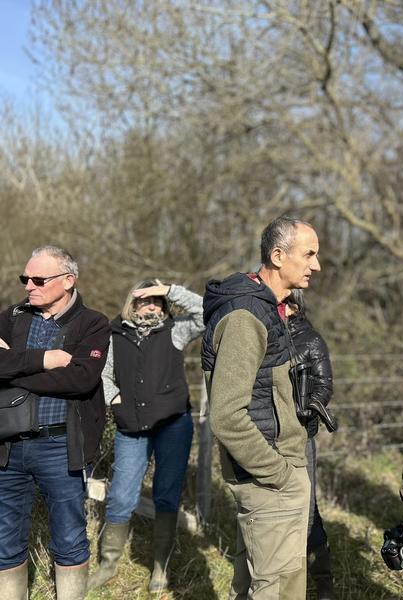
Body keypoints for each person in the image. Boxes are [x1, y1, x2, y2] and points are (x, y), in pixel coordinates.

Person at [202, 216, 321, 599]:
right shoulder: (244, 317)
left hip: (275, 472)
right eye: (309, 254)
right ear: (277, 255)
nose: (315, 265)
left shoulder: (270, 308)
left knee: (266, 583)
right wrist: (281, 474)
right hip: (268, 478)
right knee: (277, 589)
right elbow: (226, 415)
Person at [0, 246, 110, 600]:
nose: (29, 286)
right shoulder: (12, 317)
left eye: (38, 279)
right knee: (4, 539)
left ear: (68, 280)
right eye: (25, 279)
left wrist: (14, 371)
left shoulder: (93, 323)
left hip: (61, 447)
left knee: (69, 537)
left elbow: (81, 379)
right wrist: (45, 359)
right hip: (8, 446)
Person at [89, 279, 205, 593]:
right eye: (146, 300)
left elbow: (205, 312)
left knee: (166, 495)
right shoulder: (115, 334)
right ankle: (108, 563)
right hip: (131, 426)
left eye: (157, 301)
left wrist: (170, 290)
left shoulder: (175, 331)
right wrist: (114, 398)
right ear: (133, 303)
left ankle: (159, 569)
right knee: (121, 496)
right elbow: (101, 371)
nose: (152, 306)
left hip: (173, 425)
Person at [286, 290, 336, 599]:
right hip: (268, 436)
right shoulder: (262, 334)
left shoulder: (311, 340)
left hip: (301, 434)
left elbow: (324, 385)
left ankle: (323, 581)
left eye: (287, 303)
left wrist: (307, 406)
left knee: (307, 509)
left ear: (295, 306)